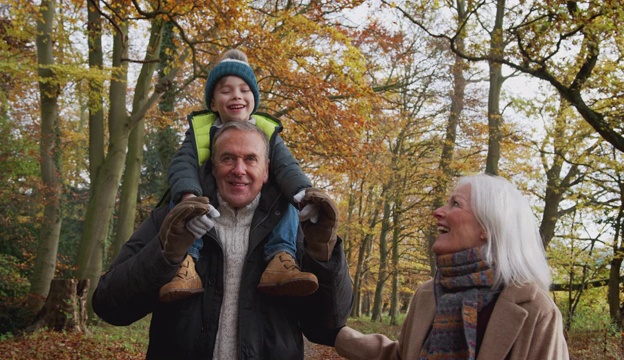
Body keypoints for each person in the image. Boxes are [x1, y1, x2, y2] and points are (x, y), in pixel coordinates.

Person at [92, 121, 353, 359]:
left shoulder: (296, 225)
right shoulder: (171, 219)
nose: (239, 170)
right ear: (213, 166)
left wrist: (322, 254)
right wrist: (165, 255)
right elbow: (110, 307)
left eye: (251, 159)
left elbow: (327, 325)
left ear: (267, 170)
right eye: (228, 158)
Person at [334, 174, 570, 360]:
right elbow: (401, 355)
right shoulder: (427, 294)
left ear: (487, 227)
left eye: (455, 204)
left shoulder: (535, 309)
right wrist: (336, 335)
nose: (438, 212)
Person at [160, 48, 321, 301]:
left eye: (244, 90)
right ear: (213, 102)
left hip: (258, 201)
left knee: (286, 192)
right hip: (209, 197)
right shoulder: (200, 130)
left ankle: (281, 256)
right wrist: (187, 195)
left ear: (254, 98)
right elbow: (183, 162)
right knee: (179, 194)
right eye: (226, 90)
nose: (237, 95)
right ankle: (186, 262)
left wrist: (304, 192)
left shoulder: (266, 131)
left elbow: (287, 166)